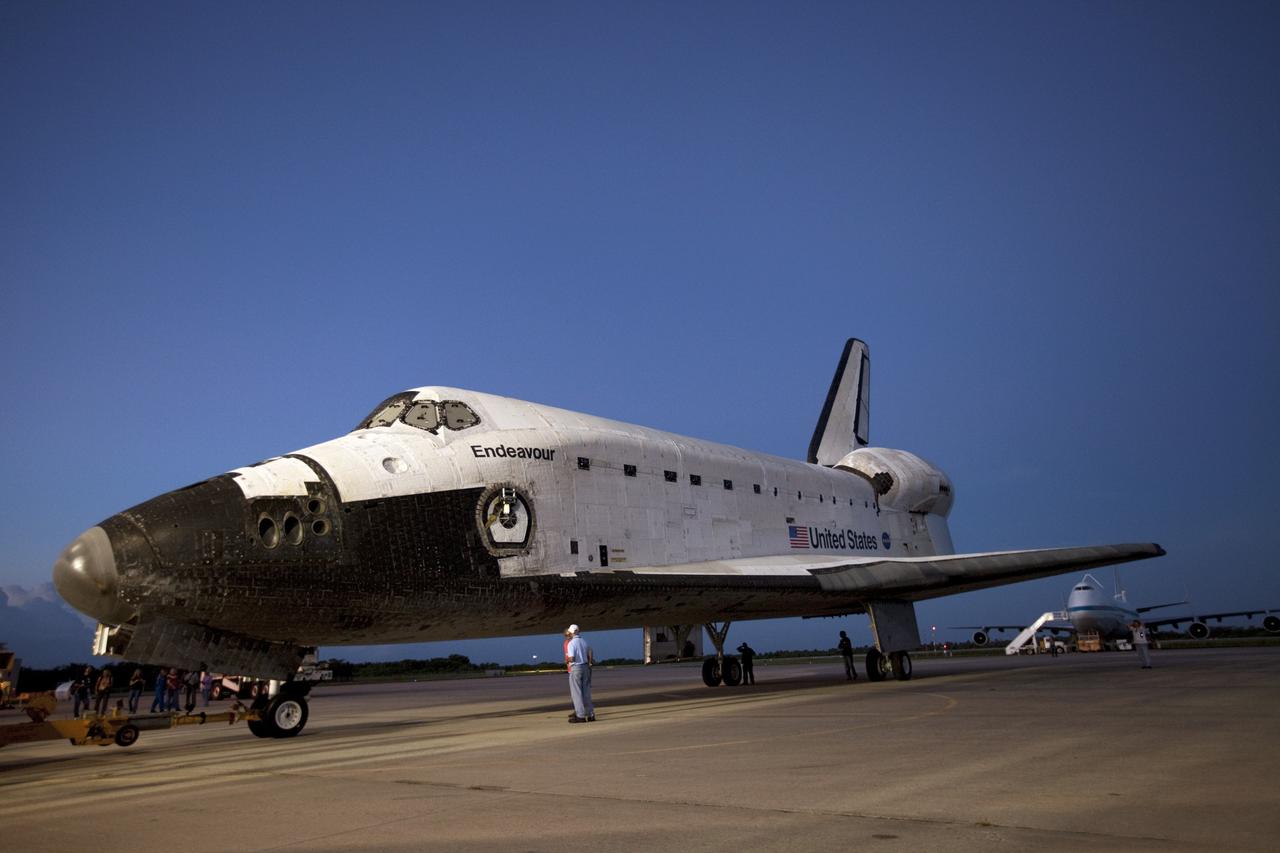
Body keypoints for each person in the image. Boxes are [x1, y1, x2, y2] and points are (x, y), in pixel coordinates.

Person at [565, 623, 595, 723]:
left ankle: (580, 716)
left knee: (576, 693)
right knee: (586, 692)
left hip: (576, 668)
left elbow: (572, 658)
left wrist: (568, 660)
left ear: (572, 632)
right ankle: (591, 715)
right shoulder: (584, 642)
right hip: (586, 667)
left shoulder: (571, 643)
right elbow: (590, 652)